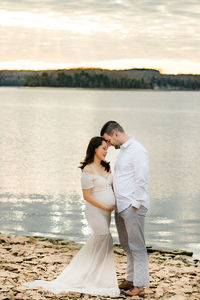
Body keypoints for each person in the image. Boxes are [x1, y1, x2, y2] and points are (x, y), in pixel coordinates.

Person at [23, 136, 120, 296]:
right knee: (104, 237)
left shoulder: (107, 168)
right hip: (95, 211)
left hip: (107, 212)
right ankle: (89, 275)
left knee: (99, 241)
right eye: (103, 148)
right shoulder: (87, 169)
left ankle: (92, 274)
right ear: (94, 148)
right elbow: (87, 197)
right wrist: (106, 206)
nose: (106, 151)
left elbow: (112, 187)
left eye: (107, 149)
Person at [100, 121, 150, 297]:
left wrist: (135, 204)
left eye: (108, 140)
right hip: (121, 207)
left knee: (137, 247)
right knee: (127, 246)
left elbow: (142, 178)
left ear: (115, 134)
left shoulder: (138, 150)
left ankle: (140, 286)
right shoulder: (124, 152)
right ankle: (130, 279)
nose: (109, 145)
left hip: (132, 206)